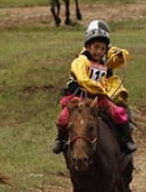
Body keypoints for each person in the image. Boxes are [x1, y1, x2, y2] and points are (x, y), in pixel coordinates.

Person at [52, 20, 137, 156]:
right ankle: (61, 139)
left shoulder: (104, 59)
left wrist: (121, 54)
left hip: (98, 98)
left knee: (118, 112)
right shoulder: (81, 61)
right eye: (96, 48)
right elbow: (83, 79)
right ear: (88, 47)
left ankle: (126, 139)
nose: (99, 52)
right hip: (78, 97)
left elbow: (118, 58)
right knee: (63, 117)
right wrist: (98, 88)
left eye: (103, 49)